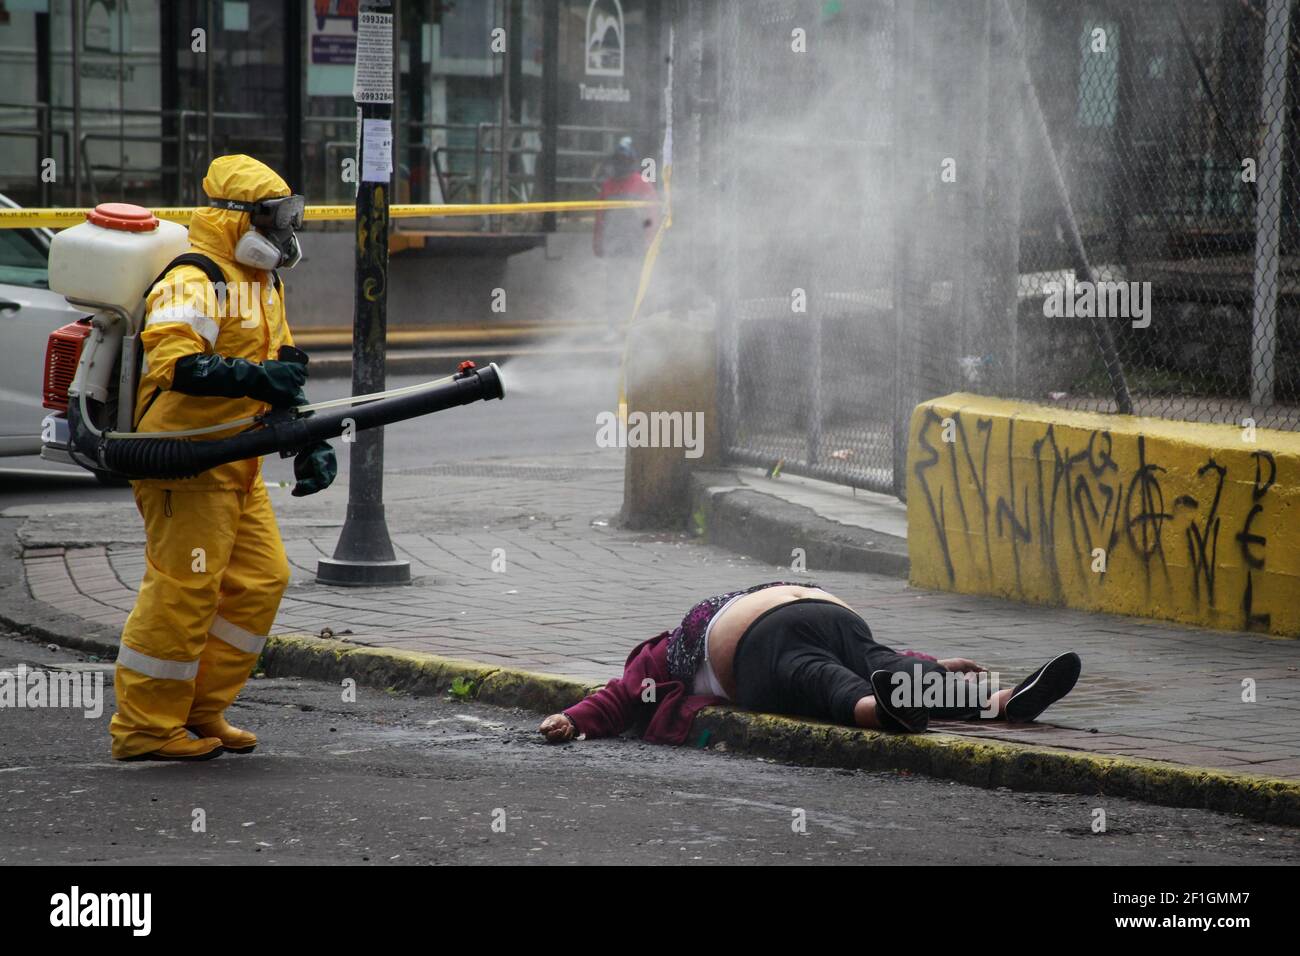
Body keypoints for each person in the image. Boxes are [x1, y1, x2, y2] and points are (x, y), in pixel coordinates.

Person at [110, 154, 336, 762]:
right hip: (184, 458)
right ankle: (146, 728)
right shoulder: (196, 276)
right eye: (272, 217)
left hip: (238, 458)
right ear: (234, 218)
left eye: (289, 216)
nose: (283, 230)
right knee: (185, 590)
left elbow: (281, 372)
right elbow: (175, 364)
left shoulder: (264, 283)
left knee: (262, 580)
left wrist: (307, 433)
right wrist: (257, 378)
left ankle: (201, 709)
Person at [539, 582, 1081, 744]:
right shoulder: (693, 629)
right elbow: (885, 658)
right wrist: (930, 662)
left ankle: (888, 713)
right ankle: (1001, 702)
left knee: (825, 684)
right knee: (878, 661)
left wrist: (574, 717)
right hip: (828, 609)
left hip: (760, 639)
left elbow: (620, 696)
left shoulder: (664, 655)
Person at [592, 136, 659, 334]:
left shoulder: (643, 184)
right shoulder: (608, 186)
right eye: (618, 160)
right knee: (613, 287)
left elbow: (652, 216)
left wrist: (649, 241)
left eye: (624, 160)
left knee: (636, 286)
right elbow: (600, 217)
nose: (620, 164)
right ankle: (613, 327)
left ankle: (638, 328)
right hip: (615, 245)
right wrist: (598, 243)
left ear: (631, 161)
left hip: (636, 245)